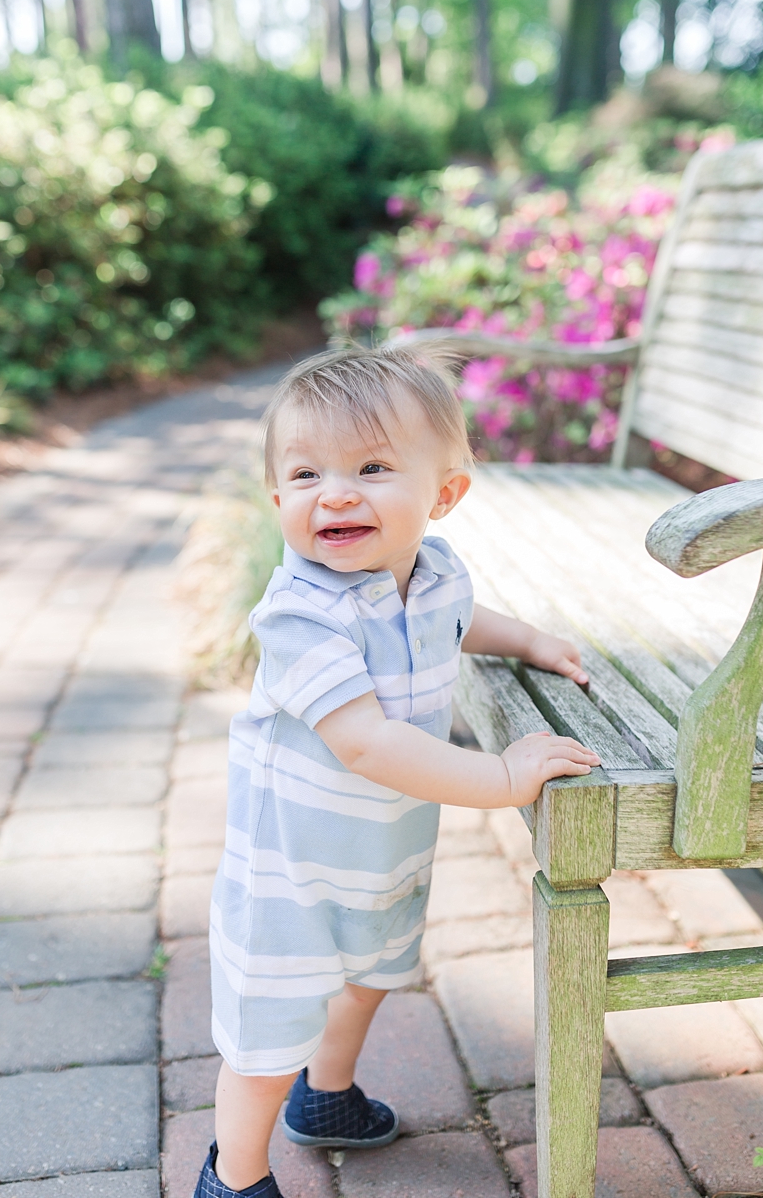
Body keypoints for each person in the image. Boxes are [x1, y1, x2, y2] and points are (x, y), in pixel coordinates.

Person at [197, 347, 600, 1198]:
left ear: (443, 495)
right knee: (267, 1038)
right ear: (278, 500)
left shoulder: (435, 570)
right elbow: (368, 743)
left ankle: (329, 1098)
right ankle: (234, 1175)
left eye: (372, 468)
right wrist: (501, 776)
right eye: (306, 474)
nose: (334, 492)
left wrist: (528, 638)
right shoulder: (302, 614)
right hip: (292, 868)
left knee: (371, 975)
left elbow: (458, 617)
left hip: (381, 849)